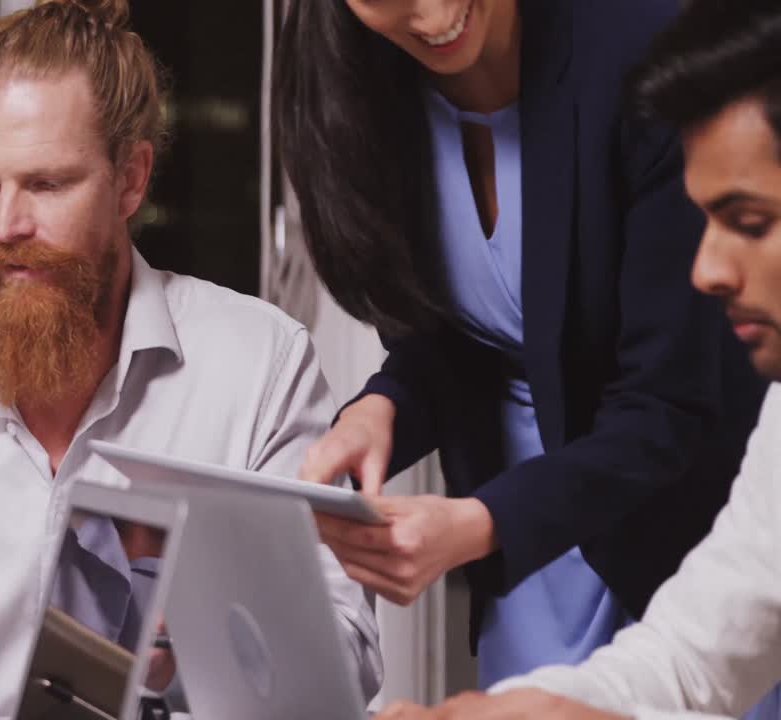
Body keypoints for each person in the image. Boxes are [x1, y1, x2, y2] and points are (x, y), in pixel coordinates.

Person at [0, 0, 381, 716]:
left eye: (46, 184)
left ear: (131, 180)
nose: (8, 226)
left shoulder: (260, 369)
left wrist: (213, 636)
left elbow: (346, 668)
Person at [274, 0, 767, 693]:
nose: (433, 11)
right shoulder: (362, 90)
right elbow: (445, 340)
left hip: (683, 509)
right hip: (530, 539)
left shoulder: (644, 50)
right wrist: (381, 407)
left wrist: (483, 523)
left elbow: (671, 400)